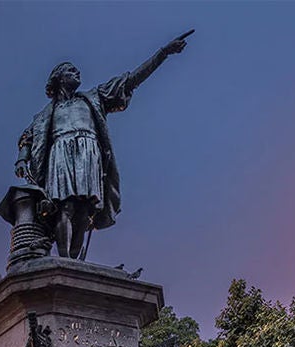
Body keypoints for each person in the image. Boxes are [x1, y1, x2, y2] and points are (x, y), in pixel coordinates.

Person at [15, 31, 191, 260]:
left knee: (83, 211)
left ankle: (74, 264)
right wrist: (21, 157)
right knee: (65, 207)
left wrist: (163, 53)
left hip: (89, 152)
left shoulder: (93, 97)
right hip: (60, 152)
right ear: (58, 79)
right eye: (70, 70)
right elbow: (27, 138)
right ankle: (64, 259)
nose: (77, 72)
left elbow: (130, 80)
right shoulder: (44, 116)